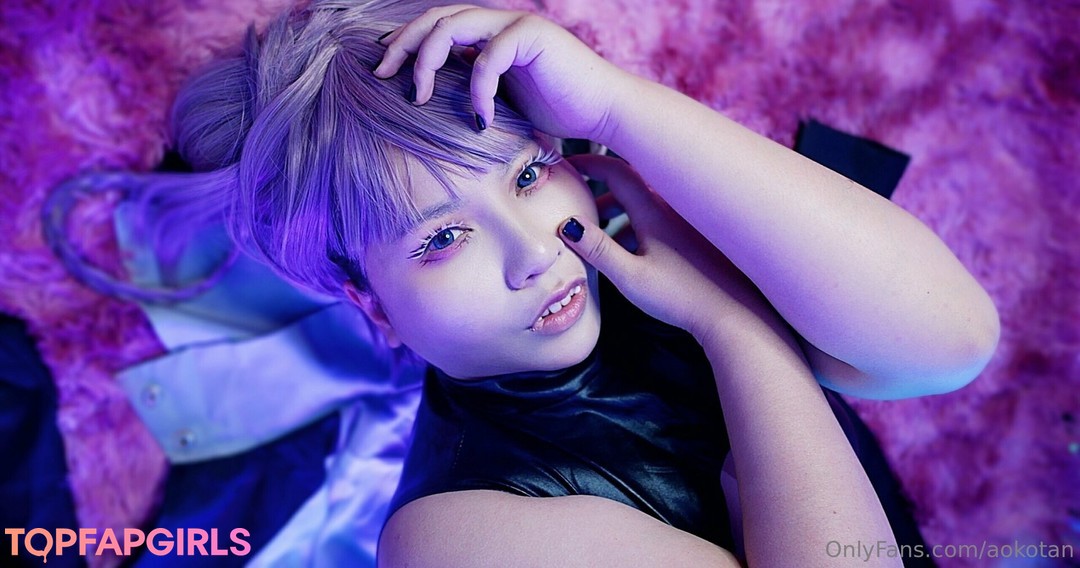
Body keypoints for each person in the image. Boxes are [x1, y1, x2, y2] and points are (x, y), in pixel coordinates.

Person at [49, 1, 1000, 565]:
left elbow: (953, 341)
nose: (536, 252)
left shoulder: (655, 247)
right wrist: (738, 328)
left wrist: (618, 106)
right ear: (369, 299)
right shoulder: (452, 537)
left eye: (530, 174)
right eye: (442, 236)